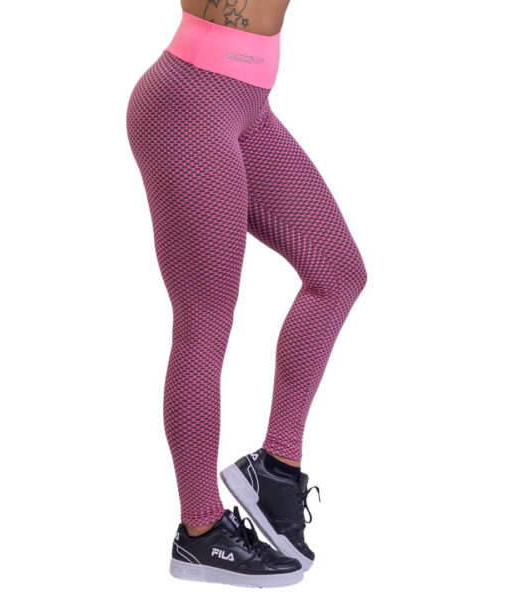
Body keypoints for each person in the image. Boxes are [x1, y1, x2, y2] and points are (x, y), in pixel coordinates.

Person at [126, 0, 367, 587]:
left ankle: (275, 469)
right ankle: (200, 530)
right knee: (204, 320)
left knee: (338, 273)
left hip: (248, 105)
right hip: (189, 104)